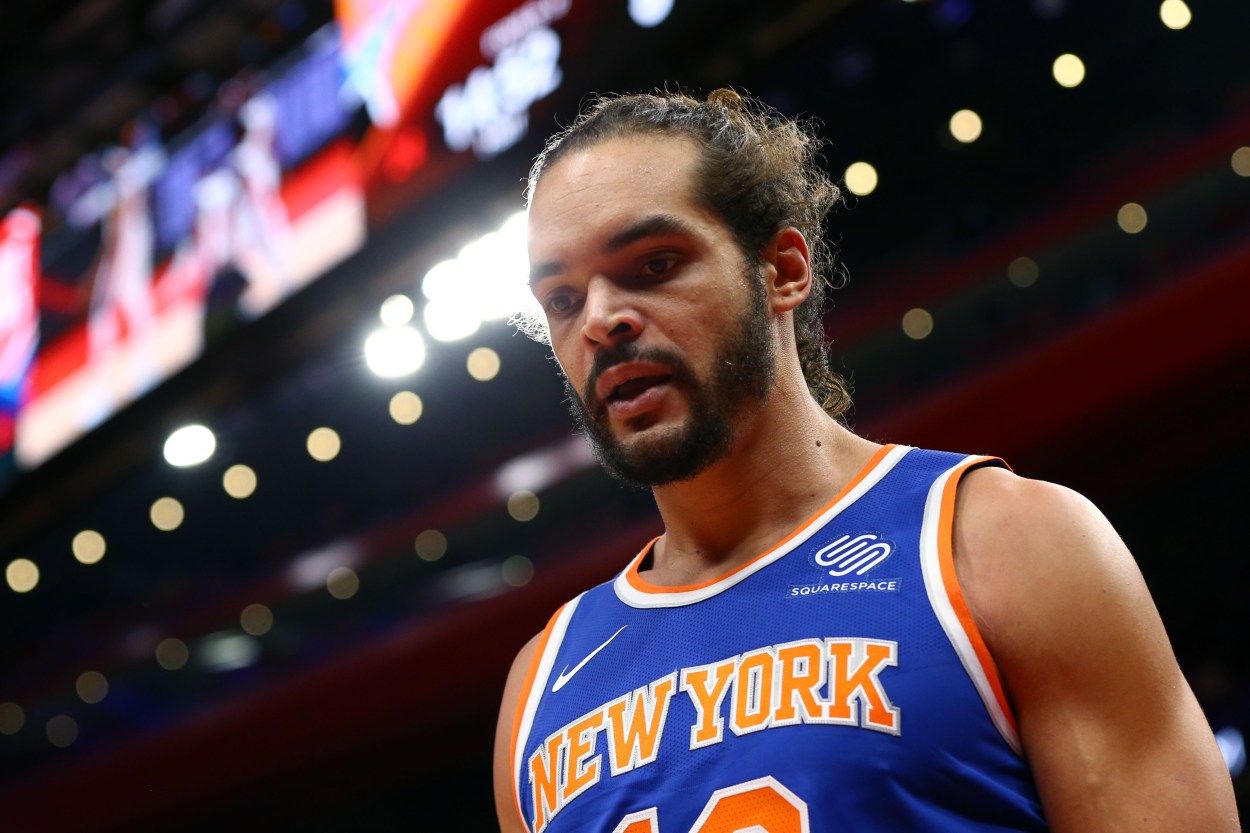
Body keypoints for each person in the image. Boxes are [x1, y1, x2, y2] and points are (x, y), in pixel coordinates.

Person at [492, 88, 1239, 833]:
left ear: (783, 269)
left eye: (654, 264)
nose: (599, 320)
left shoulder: (1007, 544)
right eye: (561, 299)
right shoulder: (540, 686)